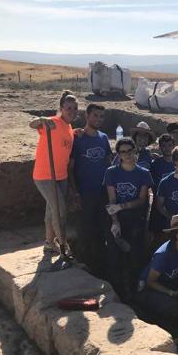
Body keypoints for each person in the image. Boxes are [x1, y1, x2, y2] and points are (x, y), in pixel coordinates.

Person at [104, 137, 154, 300]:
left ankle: (133, 293)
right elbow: (112, 200)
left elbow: (141, 199)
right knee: (114, 257)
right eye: (122, 152)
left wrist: (122, 206)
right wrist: (115, 222)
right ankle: (116, 293)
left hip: (135, 220)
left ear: (134, 151)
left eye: (129, 151)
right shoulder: (112, 172)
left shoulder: (143, 173)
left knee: (134, 258)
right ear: (118, 154)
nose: (126, 155)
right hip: (118, 219)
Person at [30, 90, 77, 254]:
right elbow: (33, 124)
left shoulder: (70, 127)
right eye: (68, 108)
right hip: (45, 175)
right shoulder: (53, 122)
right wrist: (42, 119)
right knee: (59, 210)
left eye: (75, 108)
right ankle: (63, 244)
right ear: (61, 108)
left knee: (51, 211)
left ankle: (49, 242)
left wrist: (77, 132)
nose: (72, 111)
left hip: (61, 176)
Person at [136, 213, 178, 329]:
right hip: (154, 288)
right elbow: (151, 281)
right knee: (173, 306)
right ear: (174, 235)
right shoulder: (163, 254)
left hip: (176, 282)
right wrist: (171, 293)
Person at [68, 103, 112, 274]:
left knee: (102, 232)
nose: (98, 119)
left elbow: (108, 163)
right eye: (95, 115)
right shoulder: (77, 138)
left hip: (102, 194)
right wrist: (75, 192)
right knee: (85, 232)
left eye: (101, 116)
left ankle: (100, 270)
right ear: (87, 116)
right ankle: (84, 271)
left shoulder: (103, 138)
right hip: (85, 194)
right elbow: (70, 168)